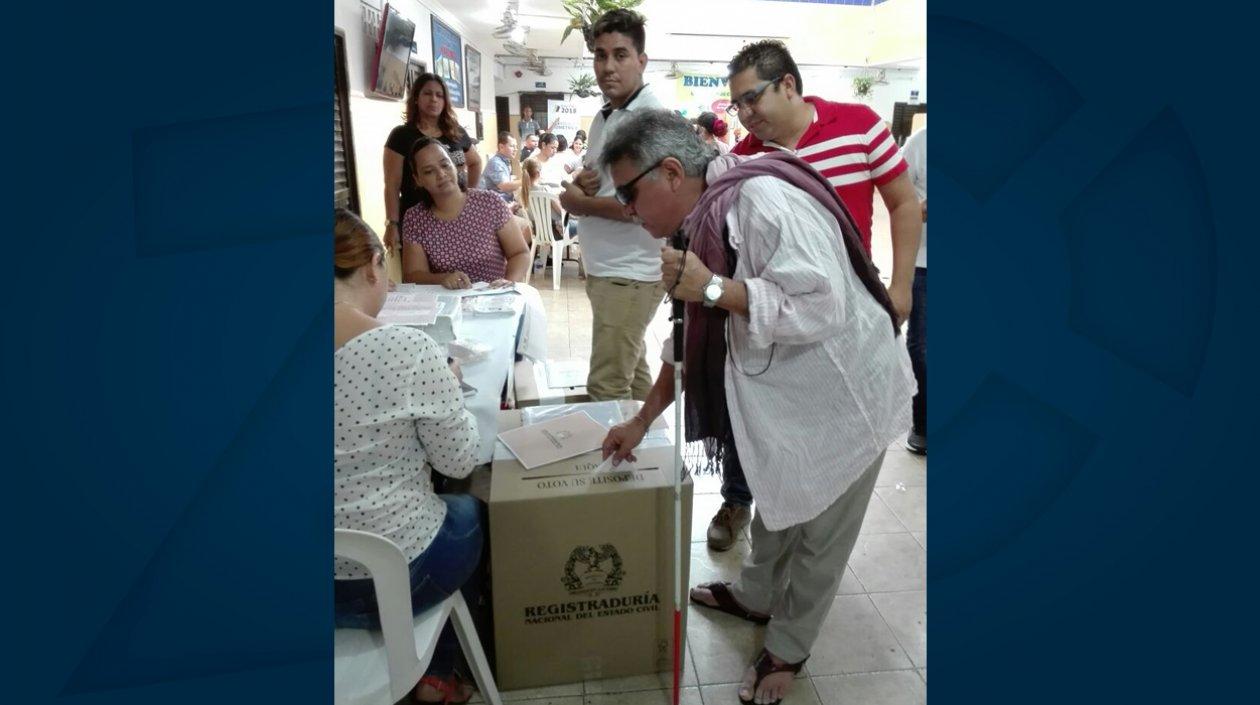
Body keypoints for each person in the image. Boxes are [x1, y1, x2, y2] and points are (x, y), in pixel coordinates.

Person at [596, 109, 914, 705]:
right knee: (781, 496)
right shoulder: (703, 217)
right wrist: (641, 420)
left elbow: (821, 307)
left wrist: (712, 287)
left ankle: (789, 647)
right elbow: (688, 333)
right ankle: (757, 595)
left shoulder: (758, 202)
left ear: (670, 172)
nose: (627, 211)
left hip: (847, 397)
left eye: (629, 195)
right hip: (795, 399)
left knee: (821, 536)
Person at [702, 40, 922, 549]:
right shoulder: (744, 159)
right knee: (759, 412)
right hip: (781, 314)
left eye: (752, 98)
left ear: (788, 85)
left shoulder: (859, 124)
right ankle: (739, 498)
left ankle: (814, 528)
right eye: (737, 105)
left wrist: (902, 285)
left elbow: (903, 204)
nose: (745, 114)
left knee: (836, 431)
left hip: (849, 312)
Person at [333, 208, 488, 704]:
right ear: (375, 267)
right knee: (466, 508)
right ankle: (440, 671)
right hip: (395, 576)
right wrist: (448, 387)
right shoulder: (405, 348)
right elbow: (458, 461)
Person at [559, 8, 665, 402]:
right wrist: (582, 184)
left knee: (606, 386)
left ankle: (617, 464)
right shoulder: (610, 114)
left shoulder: (647, 119)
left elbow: (648, 209)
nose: (608, 66)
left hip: (630, 272)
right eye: (600, 55)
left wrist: (580, 204)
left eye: (620, 55)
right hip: (613, 268)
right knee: (632, 373)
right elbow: (602, 182)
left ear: (641, 60)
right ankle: (650, 453)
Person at [401, 137, 530, 289]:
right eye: (429, 171)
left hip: (494, 298)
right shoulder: (415, 218)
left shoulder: (489, 203)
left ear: (455, 166)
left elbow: (520, 253)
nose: (441, 174)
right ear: (418, 180)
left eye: (445, 165)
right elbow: (413, 275)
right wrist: (443, 278)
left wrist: (508, 283)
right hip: (447, 304)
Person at [384, 74, 484, 253]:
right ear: (416, 98)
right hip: (418, 222)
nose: (434, 99)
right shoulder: (401, 136)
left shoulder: (456, 132)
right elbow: (392, 185)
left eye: (439, 95)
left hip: (455, 216)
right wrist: (392, 224)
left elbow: (475, 163)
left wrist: (468, 195)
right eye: (427, 94)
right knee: (421, 276)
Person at [901, 127, 927, 455]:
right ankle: (922, 422)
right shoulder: (919, 143)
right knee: (921, 345)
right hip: (923, 262)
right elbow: (901, 204)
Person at [480, 131, 521, 203]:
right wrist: (526, 181)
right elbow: (504, 186)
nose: (515, 149)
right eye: (512, 146)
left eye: (516, 146)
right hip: (493, 204)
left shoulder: (505, 161)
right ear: (501, 147)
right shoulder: (495, 163)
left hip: (503, 201)